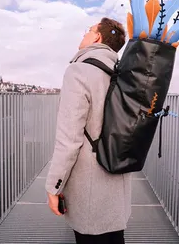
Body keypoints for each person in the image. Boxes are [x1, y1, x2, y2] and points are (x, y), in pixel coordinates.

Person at [45, 17, 132, 244]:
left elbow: (69, 140)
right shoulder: (123, 72)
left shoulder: (78, 71)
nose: (85, 34)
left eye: (89, 30)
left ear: (97, 37)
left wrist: (54, 186)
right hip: (118, 174)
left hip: (89, 184)